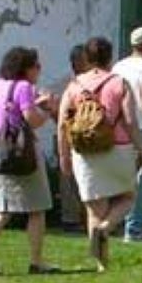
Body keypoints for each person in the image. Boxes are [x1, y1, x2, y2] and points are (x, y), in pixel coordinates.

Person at [0, 46, 56, 276]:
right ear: (26, 68)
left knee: (1, 211)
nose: (39, 70)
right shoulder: (25, 87)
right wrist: (48, 109)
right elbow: (32, 120)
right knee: (37, 208)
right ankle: (37, 261)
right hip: (22, 152)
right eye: (36, 66)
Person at [61, 36, 142, 272]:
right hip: (117, 147)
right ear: (110, 57)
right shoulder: (119, 83)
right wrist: (140, 147)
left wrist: (64, 155)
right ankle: (106, 227)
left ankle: (101, 264)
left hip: (84, 151)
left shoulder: (73, 86)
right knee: (128, 196)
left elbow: (62, 125)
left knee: (94, 207)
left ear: (87, 57)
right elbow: (129, 120)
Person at [113, 27, 142, 242]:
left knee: (122, 178)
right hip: (141, 127)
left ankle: (117, 222)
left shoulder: (118, 66)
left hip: (119, 126)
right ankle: (135, 229)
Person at [55, 44, 87, 229]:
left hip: (86, 135)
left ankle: (85, 217)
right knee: (68, 178)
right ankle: (70, 218)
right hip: (69, 133)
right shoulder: (68, 84)